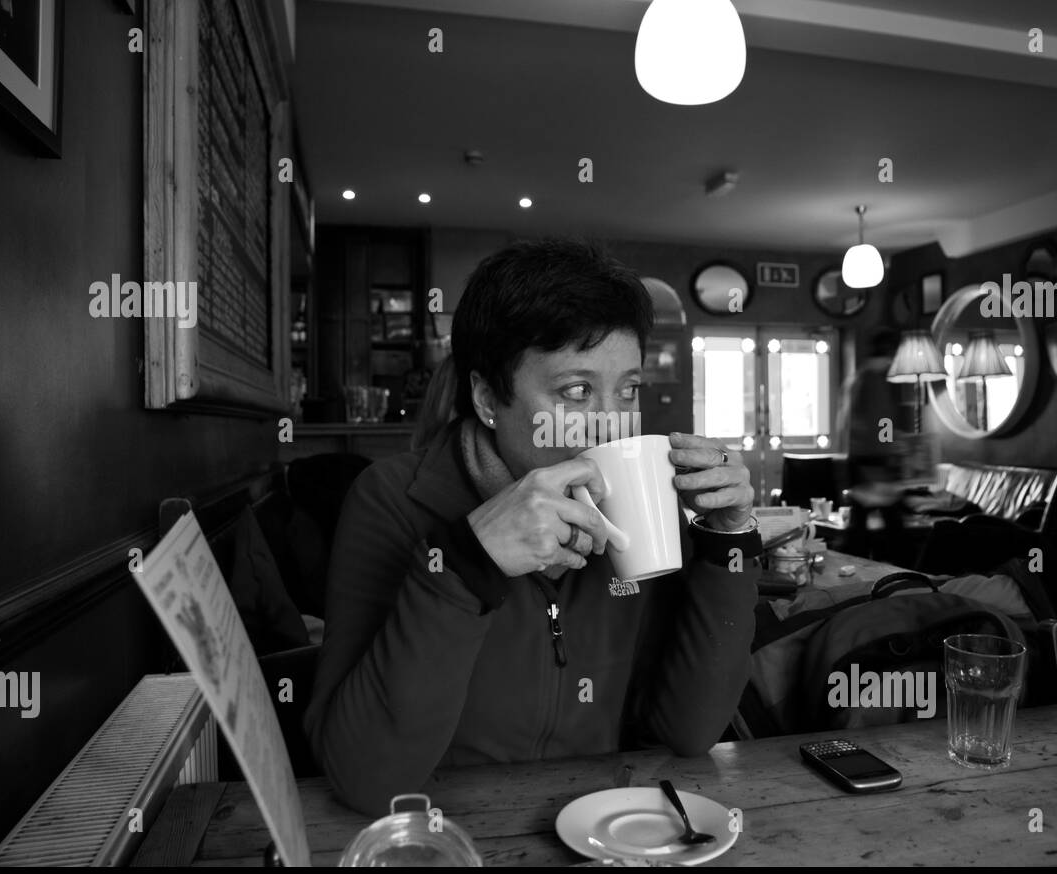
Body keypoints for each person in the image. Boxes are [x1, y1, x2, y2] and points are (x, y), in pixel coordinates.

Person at [304, 237, 762, 814]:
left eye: (628, 390)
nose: (612, 425)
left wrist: (727, 541)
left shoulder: (642, 506)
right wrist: (467, 564)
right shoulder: (393, 501)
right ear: (487, 398)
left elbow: (690, 732)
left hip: (603, 826)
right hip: (448, 833)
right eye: (576, 392)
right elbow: (366, 779)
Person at [834, 325, 906, 558]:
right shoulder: (876, 379)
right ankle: (900, 569)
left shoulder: (859, 376)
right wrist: (892, 451)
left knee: (862, 524)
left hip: (858, 457)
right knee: (891, 529)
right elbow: (882, 420)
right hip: (874, 460)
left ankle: (861, 566)